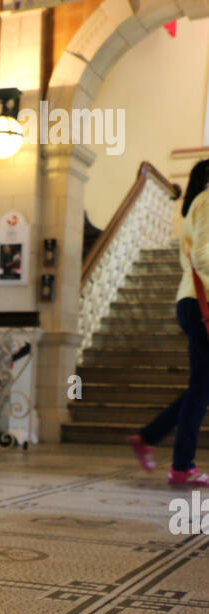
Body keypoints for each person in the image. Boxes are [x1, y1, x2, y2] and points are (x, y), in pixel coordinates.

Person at [127, 157, 209, 486]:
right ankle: (180, 465)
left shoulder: (198, 205)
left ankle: (149, 438)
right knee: (202, 388)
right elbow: (204, 255)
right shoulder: (207, 202)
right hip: (200, 303)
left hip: (194, 301)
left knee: (201, 387)